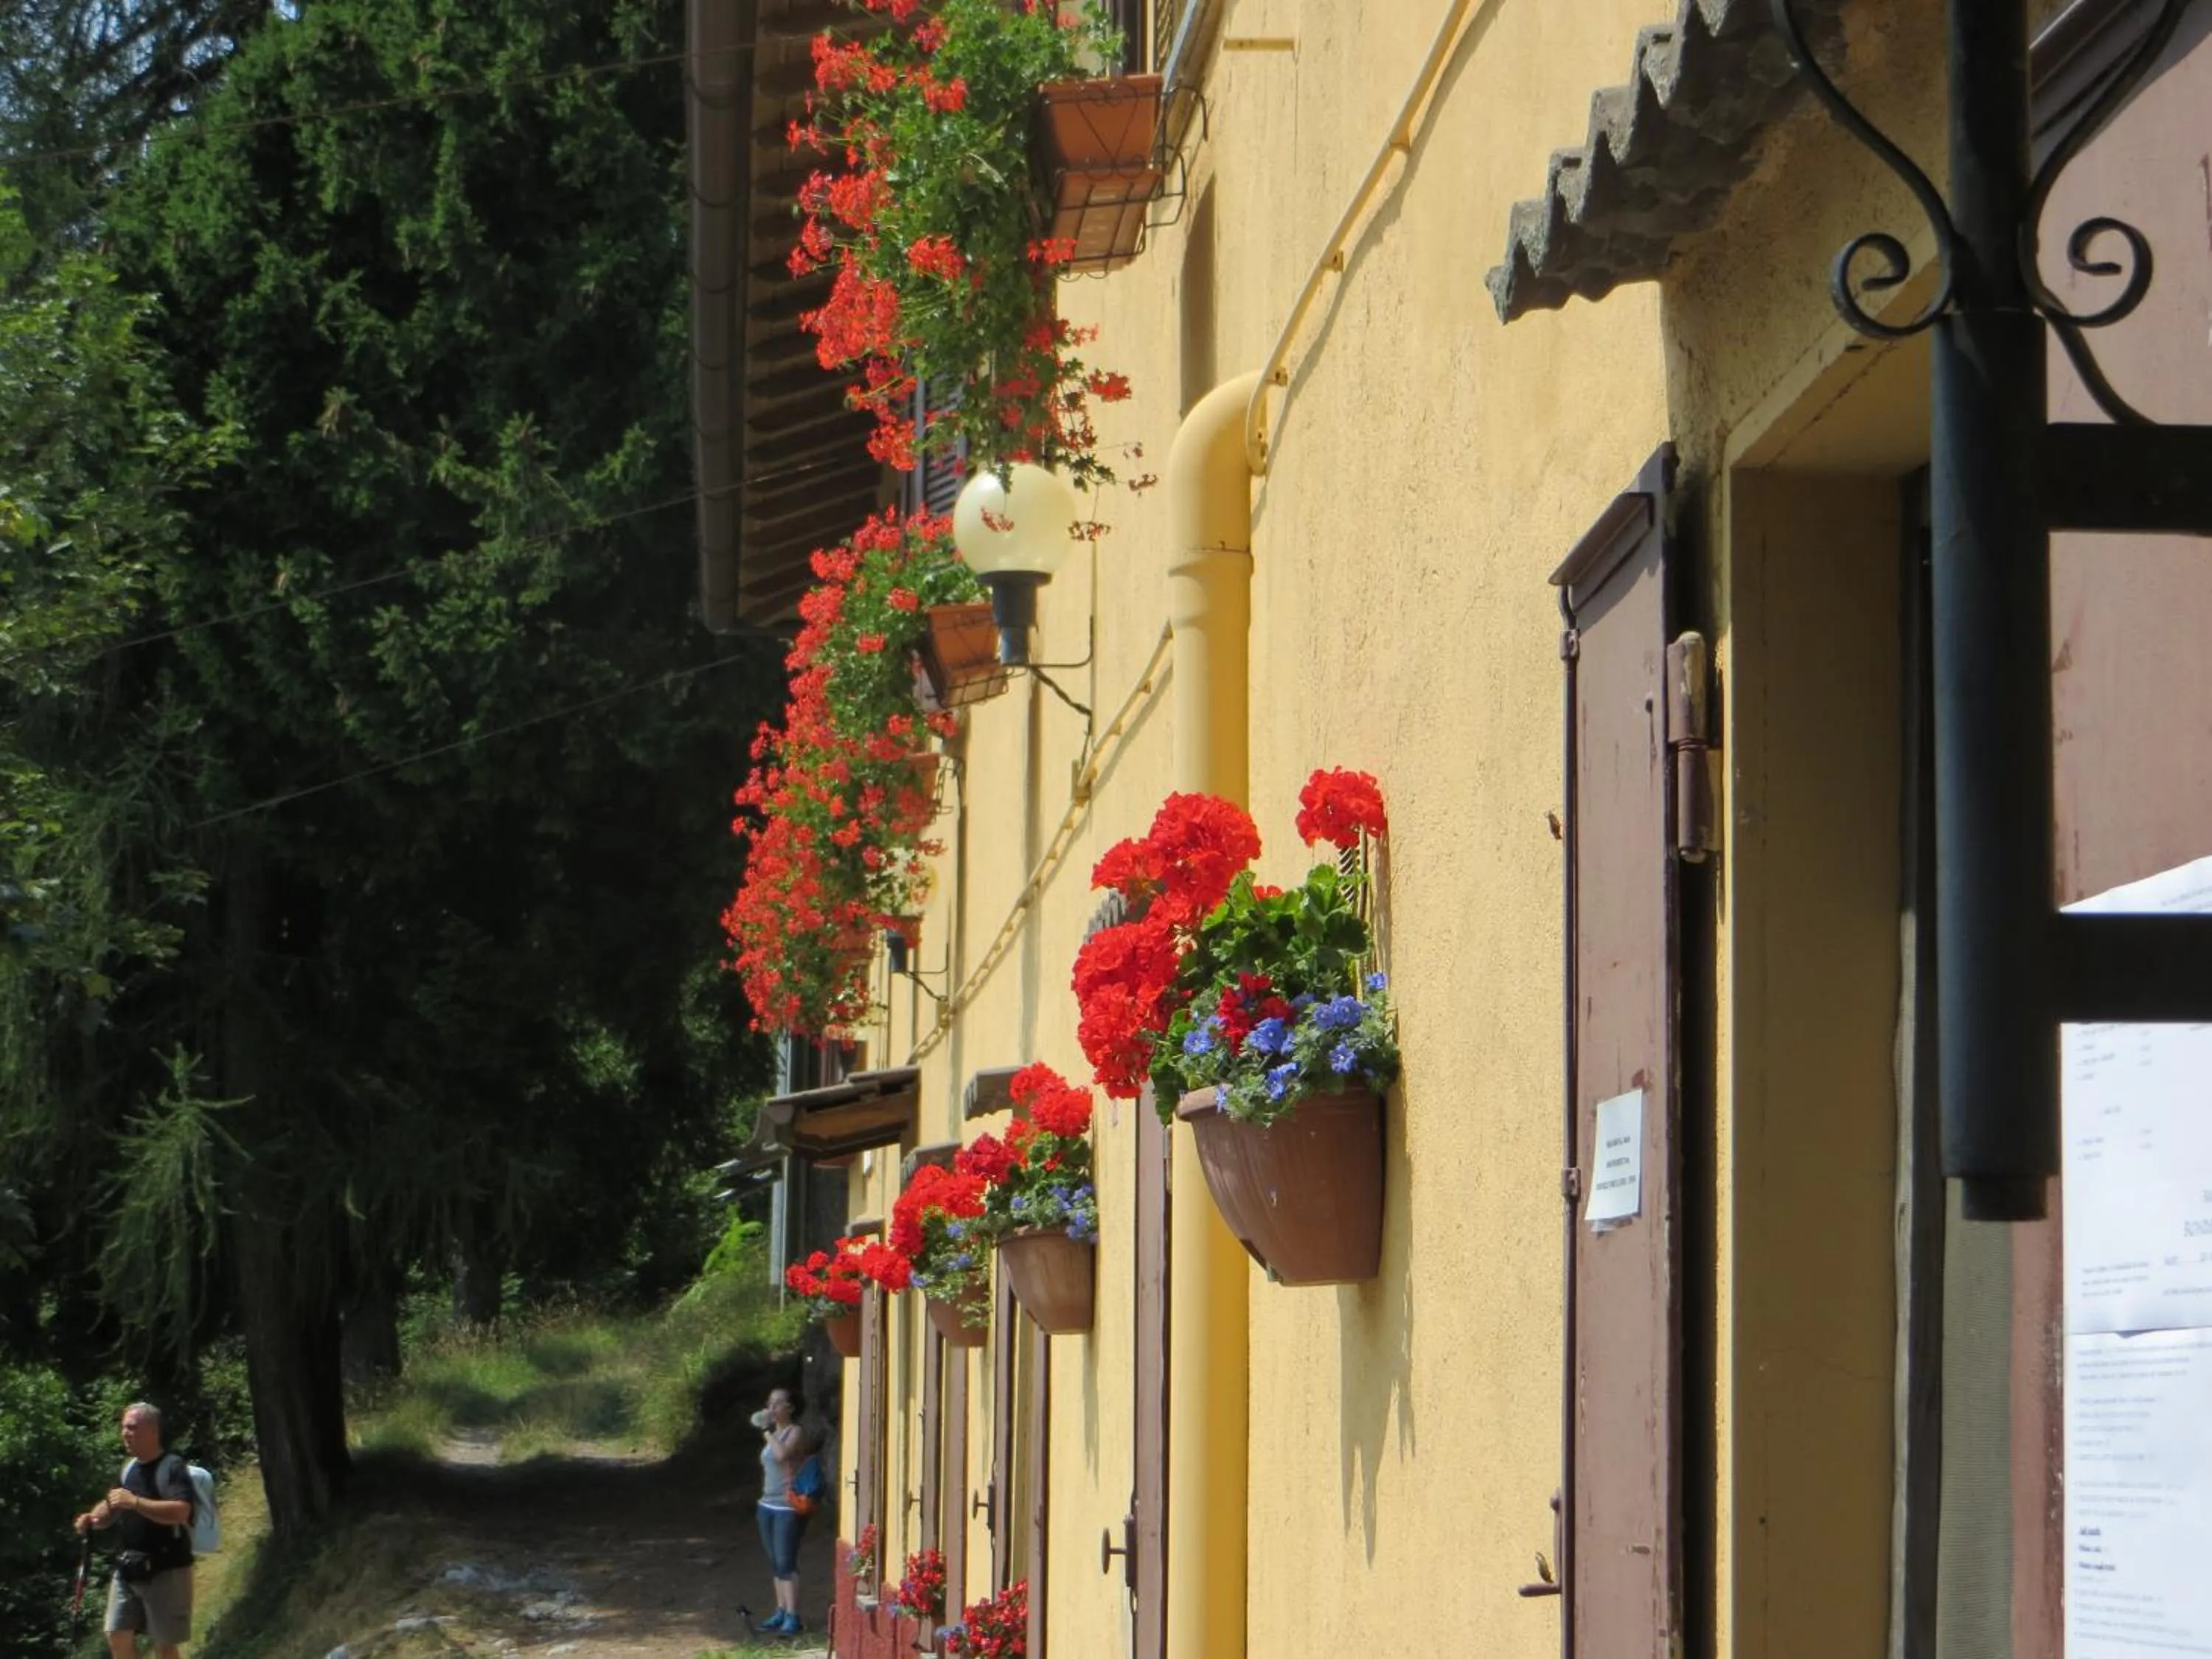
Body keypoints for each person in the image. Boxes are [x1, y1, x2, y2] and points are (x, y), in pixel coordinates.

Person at [73, 1401, 196, 1658]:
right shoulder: (129, 1469)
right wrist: (92, 1519)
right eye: (123, 1428)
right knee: (116, 1635)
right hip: (130, 1567)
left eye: (132, 1428)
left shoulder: (172, 1467)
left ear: (153, 1431)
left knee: (165, 1645)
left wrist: (136, 1502)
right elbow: (112, 1505)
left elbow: (181, 1512)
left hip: (167, 1568)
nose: (125, 1434)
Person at [751, 1386, 811, 1634]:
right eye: (770, 1403)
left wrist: (767, 1431)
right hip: (767, 1505)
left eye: (778, 1403)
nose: (772, 1408)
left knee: (786, 1561)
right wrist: (769, 1433)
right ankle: (781, 1610)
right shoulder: (774, 1435)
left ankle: (793, 1615)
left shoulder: (795, 1432)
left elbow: (781, 1455)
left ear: (791, 1408)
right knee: (776, 1562)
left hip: (787, 1507)